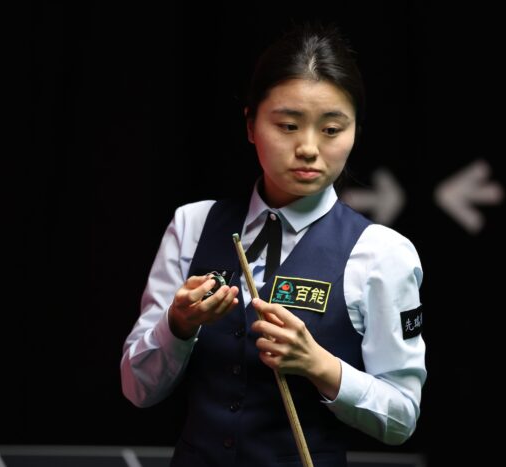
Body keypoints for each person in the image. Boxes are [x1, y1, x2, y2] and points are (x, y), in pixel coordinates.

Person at [121, 21, 426, 467]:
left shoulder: (382, 254)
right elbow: (136, 389)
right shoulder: (193, 224)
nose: (307, 147)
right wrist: (177, 326)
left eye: (331, 129)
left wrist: (318, 364)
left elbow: (402, 418)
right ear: (250, 124)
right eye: (288, 125)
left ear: (355, 130)